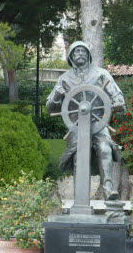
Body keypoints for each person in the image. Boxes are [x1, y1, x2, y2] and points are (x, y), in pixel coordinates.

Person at [46, 41, 125, 201]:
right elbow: (50, 108)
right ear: (71, 57)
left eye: (83, 51)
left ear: (88, 54)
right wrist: (56, 97)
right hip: (76, 127)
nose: (79, 54)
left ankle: (108, 190)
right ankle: (79, 198)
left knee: (105, 149)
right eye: (76, 52)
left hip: (98, 125)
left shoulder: (101, 74)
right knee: (77, 156)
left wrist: (119, 104)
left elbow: (118, 97)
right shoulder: (64, 78)